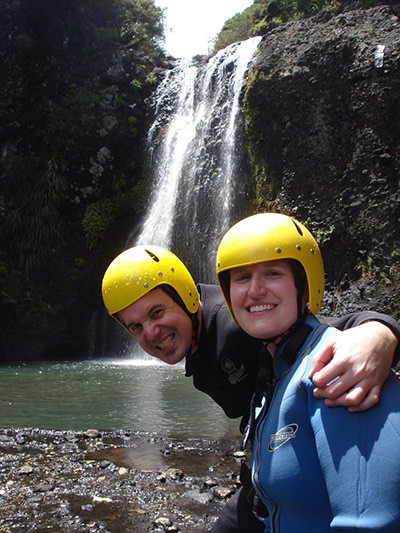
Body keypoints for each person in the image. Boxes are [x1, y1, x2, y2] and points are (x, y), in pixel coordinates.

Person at [102, 244, 400, 532]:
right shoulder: (197, 337)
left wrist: (379, 331)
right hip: (265, 471)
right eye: (135, 327)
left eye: (156, 313)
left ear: (186, 296)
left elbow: (318, 332)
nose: (151, 333)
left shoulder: (236, 323)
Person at [216, 212, 400, 531]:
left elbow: (369, 522)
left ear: (304, 284)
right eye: (242, 277)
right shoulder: (275, 369)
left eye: (272, 273)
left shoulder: (337, 368)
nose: (255, 290)